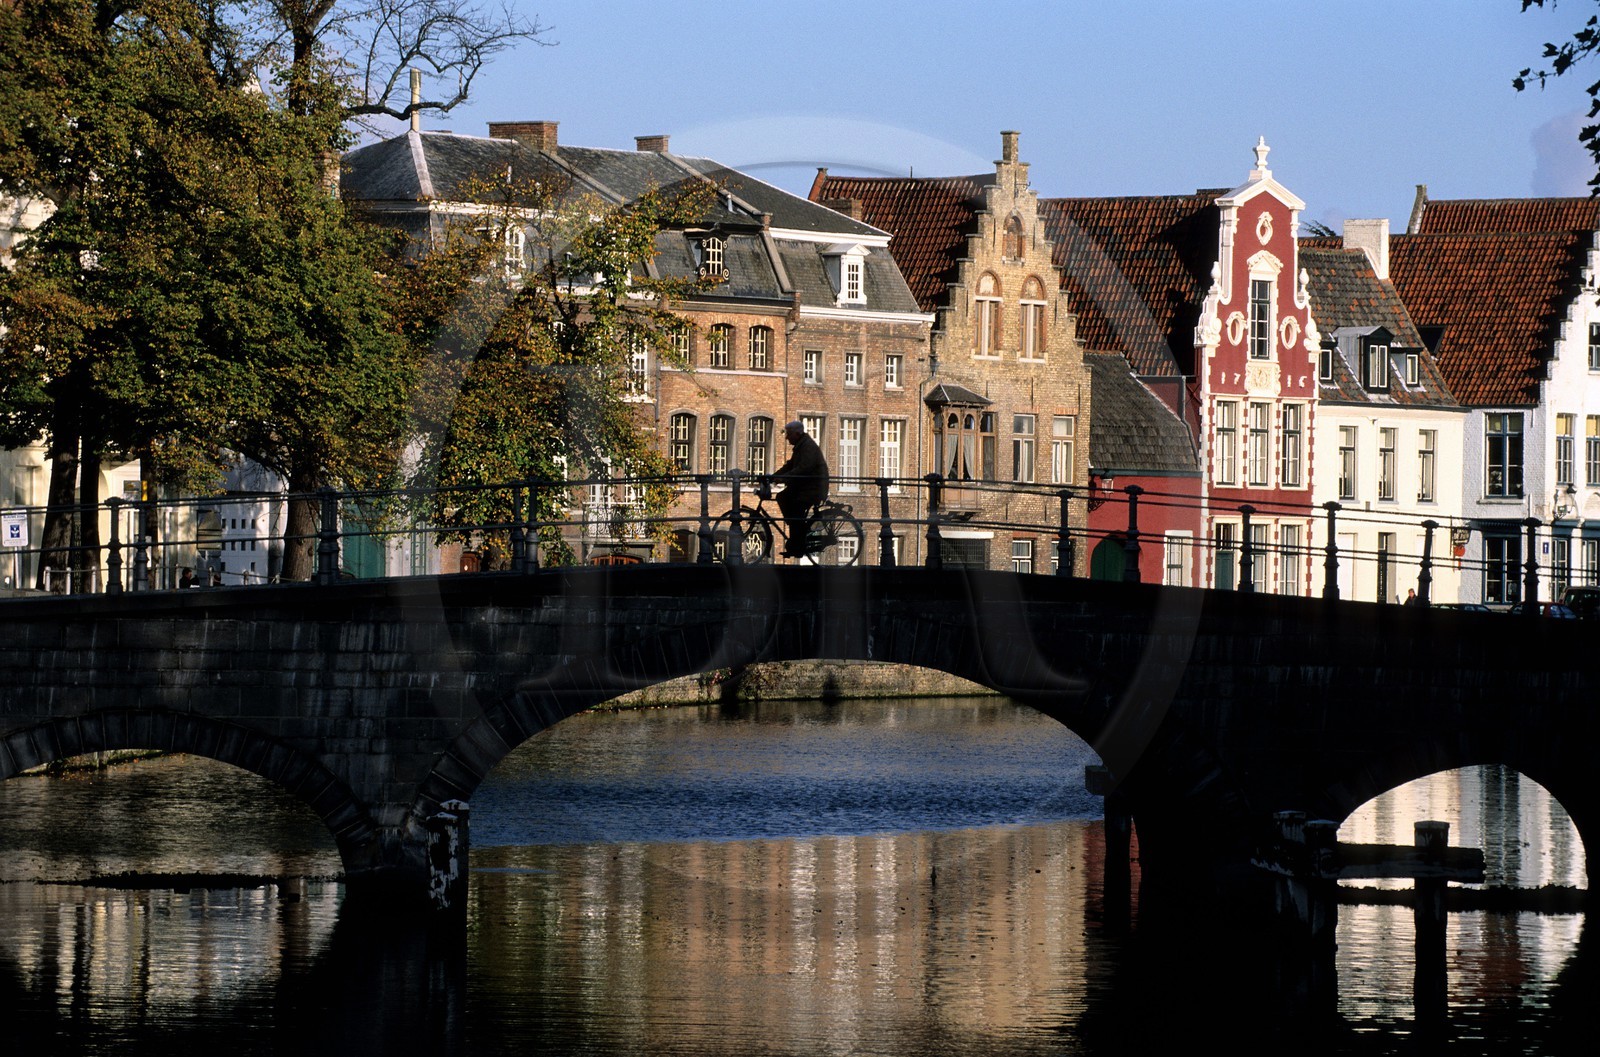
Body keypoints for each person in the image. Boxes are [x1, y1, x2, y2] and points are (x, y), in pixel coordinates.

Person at [769, 420, 829, 557]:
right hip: (805, 486)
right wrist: (773, 476)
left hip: (813, 488)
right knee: (783, 497)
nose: (787, 437)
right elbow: (790, 465)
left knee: (795, 507)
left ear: (797, 433)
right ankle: (795, 531)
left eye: (789, 434)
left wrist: (784, 478)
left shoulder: (808, 447)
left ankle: (798, 540)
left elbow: (803, 468)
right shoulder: (801, 446)